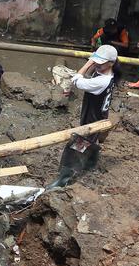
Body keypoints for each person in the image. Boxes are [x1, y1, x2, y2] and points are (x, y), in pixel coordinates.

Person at [50, 45, 120, 188]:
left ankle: (63, 179)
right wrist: (95, 64)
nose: (97, 65)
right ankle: (91, 163)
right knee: (92, 140)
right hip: (99, 114)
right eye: (96, 62)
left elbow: (76, 80)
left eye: (100, 63)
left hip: (93, 120)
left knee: (75, 147)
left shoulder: (101, 81)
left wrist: (89, 63)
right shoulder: (108, 74)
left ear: (111, 63)